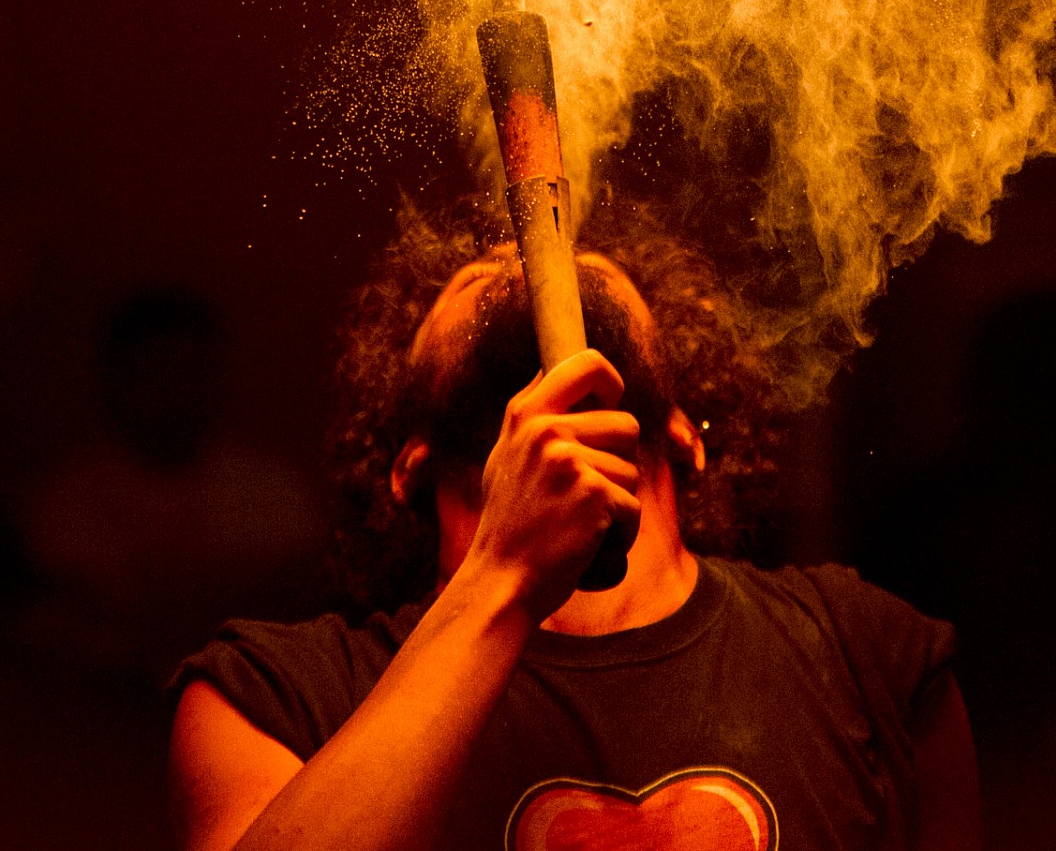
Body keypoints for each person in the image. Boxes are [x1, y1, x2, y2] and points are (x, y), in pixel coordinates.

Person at [169, 211, 980, 850]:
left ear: (684, 436)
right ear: (411, 466)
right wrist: (504, 573)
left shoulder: (871, 657)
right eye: (471, 274)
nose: (517, 250)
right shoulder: (274, 694)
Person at [26, 288, 326, 686]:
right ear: (116, 379)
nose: (177, 392)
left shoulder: (271, 489)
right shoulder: (70, 502)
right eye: (158, 373)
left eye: (193, 372)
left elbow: (300, 604)